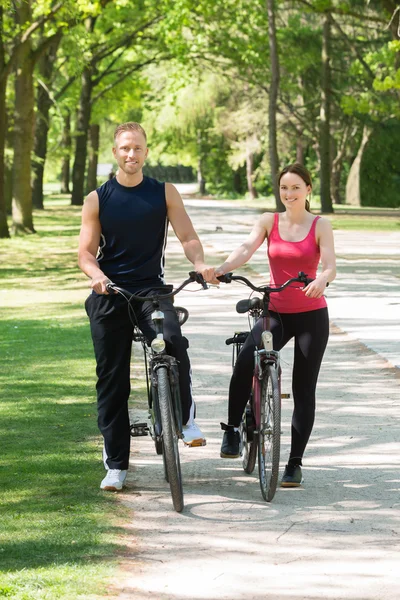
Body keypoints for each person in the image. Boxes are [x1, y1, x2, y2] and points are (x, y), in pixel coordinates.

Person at [78, 122, 216, 492]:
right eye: (125, 148)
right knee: (112, 380)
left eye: (137, 148)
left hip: (152, 291)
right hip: (111, 294)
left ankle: (185, 420)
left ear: (146, 152)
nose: (131, 154)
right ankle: (117, 465)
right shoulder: (97, 198)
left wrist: (200, 263)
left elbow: (187, 236)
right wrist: (96, 275)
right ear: (115, 153)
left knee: (173, 339)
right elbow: (85, 253)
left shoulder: (164, 193)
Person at [213, 163, 336, 487]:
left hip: (312, 315)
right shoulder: (270, 221)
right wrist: (223, 267)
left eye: (296, 187)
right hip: (276, 311)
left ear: (308, 190)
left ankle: (294, 464)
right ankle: (234, 431)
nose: (289, 193)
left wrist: (322, 278)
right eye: (284, 188)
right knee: (245, 360)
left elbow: (330, 265)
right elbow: (247, 248)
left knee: (303, 388)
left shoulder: (320, 225)